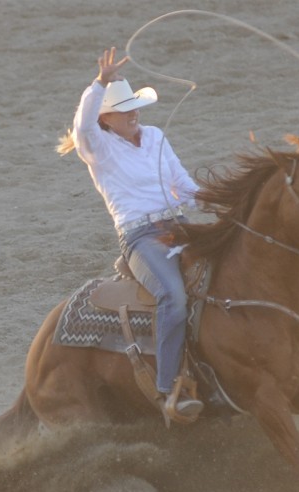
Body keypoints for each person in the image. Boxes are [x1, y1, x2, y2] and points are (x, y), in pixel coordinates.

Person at [57, 47, 203, 423]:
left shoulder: (154, 136)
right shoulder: (99, 148)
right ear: (106, 119)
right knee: (172, 296)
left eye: (134, 106)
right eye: (124, 110)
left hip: (179, 225)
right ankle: (168, 388)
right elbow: (81, 128)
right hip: (140, 236)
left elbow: (182, 184)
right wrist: (99, 84)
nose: (134, 113)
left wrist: (216, 198)